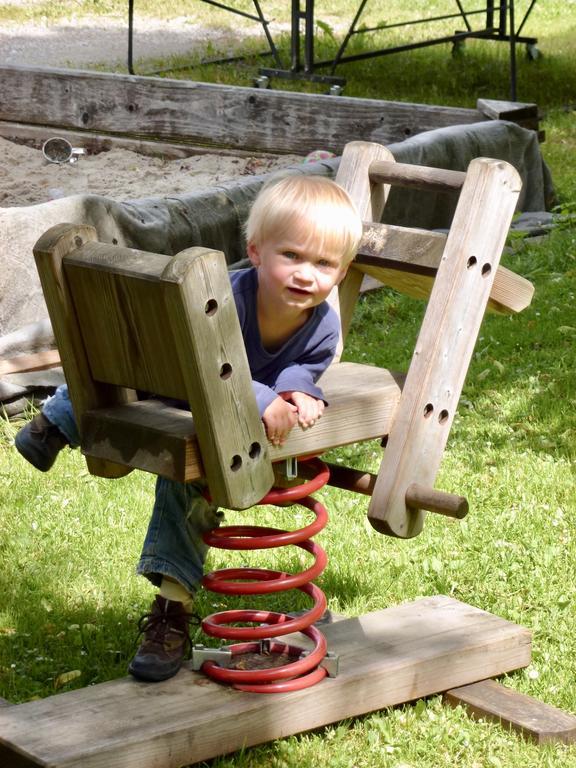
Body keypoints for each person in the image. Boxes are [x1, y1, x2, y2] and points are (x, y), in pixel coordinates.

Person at [14, 173, 363, 682]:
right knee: (133, 379)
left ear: (343, 270)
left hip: (218, 411)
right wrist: (263, 397)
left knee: (191, 481)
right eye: (292, 255)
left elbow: (305, 363)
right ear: (256, 250)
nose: (307, 275)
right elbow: (210, 365)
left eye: (325, 264)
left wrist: (299, 390)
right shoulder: (228, 298)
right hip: (177, 372)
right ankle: (58, 420)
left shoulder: (323, 323)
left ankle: (171, 610)